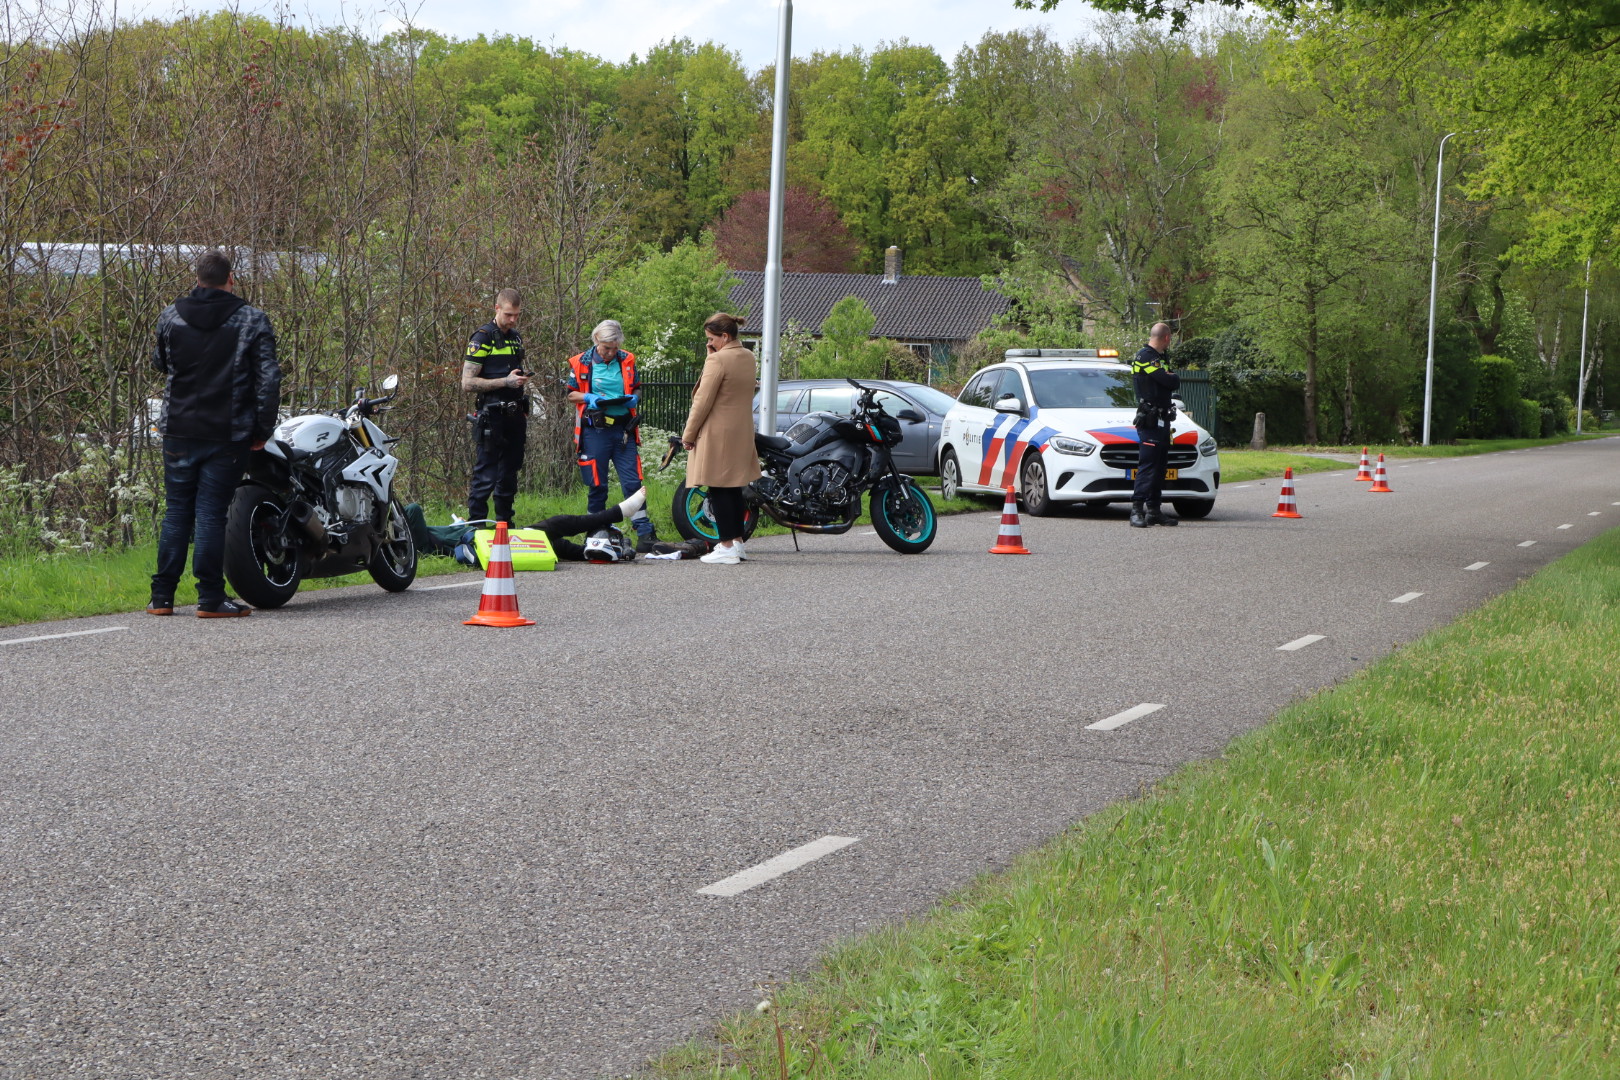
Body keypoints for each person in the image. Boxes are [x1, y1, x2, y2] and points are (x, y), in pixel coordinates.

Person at [148, 250, 280, 618]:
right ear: (231, 278)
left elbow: (159, 361)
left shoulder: (171, 315)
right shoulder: (252, 320)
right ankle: (209, 598)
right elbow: (268, 379)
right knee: (210, 514)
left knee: (177, 511)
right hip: (228, 431)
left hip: (178, 427)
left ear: (197, 278)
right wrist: (262, 429)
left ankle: (161, 598)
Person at [566, 319, 656, 547]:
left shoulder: (627, 360)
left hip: (623, 429)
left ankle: (644, 533)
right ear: (597, 340)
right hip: (596, 431)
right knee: (597, 484)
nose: (610, 353)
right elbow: (570, 394)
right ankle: (595, 531)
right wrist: (589, 397)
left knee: (633, 482)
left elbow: (636, 386)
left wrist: (634, 397)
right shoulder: (580, 363)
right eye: (607, 348)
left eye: (614, 348)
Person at [681, 312, 761, 564]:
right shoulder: (747, 356)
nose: (710, 343)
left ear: (724, 336)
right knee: (734, 489)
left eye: (712, 338)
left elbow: (703, 401)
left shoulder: (718, 361)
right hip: (741, 430)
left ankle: (725, 545)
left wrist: (689, 434)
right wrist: (712, 355)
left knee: (718, 488)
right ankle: (736, 543)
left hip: (717, 432)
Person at [462, 288, 529, 526]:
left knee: (509, 474)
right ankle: (476, 526)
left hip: (515, 414)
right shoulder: (482, 337)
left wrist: (519, 380)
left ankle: (504, 525)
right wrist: (505, 382)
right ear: (497, 308)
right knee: (485, 474)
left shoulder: (515, 336)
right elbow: (467, 383)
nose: (512, 320)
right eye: (509, 314)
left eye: (517, 315)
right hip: (491, 415)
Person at [1130, 321, 1180, 528]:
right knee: (1148, 465)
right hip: (1150, 419)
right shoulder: (1145, 357)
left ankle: (1154, 510)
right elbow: (1170, 381)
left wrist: (1170, 377)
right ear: (1167, 338)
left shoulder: (1159, 358)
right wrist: (1170, 377)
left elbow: (1169, 381)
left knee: (1160, 466)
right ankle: (1136, 510)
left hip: (1163, 419)